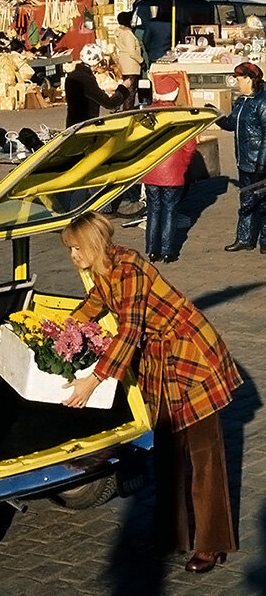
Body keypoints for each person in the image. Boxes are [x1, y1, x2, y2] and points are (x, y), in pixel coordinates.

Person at [61, 211, 241, 574]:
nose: (72, 255)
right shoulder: (102, 271)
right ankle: (172, 535)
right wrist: (54, 331)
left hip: (193, 356)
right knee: (166, 453)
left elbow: (129, 330)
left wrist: (94, 380)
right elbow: (93, 306)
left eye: (75, 247)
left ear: (93, 245)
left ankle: (213, 544)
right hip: (160, 362)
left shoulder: (129, 269)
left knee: (205, 457)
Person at [141, 74, 195, 263]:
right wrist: (183, 165)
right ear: (175, 93)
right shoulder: (182, 115)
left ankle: (152, 249)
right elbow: (190, 146)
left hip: (151, 170)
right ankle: (167, 250)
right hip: (173, 172)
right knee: (170, 210)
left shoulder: (146, 114)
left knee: (153, 209)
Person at [216, 62, 266, 254]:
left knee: (262, 202)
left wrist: (262, 163)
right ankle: (244, 238)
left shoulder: (262, 101)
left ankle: (264, 240)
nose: (236, 83)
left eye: (238, 79)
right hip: (244, 161)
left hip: (258, 161)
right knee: (246, 201)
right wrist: (217, 117)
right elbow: (231, 124)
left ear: (249, 79)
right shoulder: (240, 101)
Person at [65, 43, 131, 127]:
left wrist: (103, 92)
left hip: (73, 124)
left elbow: (85, 96)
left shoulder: (73, 76)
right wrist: (123, 88)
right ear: (96, 63)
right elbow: (109, 104)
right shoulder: (86, 79)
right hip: (84, 127)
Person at [115, 11, 143, 110]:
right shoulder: (128, 34)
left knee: (125, 89)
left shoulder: (119, 32)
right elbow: (132, 52)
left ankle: (122, 108)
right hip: (131, 65)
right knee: (130, 92)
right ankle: (127, 111)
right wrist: (141, 60)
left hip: (123, 63)